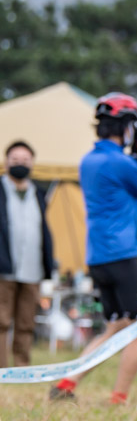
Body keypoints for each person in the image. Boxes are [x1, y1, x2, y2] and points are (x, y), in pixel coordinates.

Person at [50, 93, 137, 403]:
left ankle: (66, 384)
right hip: (123, 254)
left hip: (99, 255)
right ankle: (119, 396)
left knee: (116, 326)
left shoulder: (91, 160)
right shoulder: (118, 162)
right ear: (127, 126)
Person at [0, 141, 55, 368]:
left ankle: (23, 368)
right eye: (15, 159)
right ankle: (1, 370)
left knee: (26, 322)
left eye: (24, 160)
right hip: (4, 268)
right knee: (1, 321)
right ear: (6, 162)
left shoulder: (38, 194)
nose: (20, 164)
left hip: (32, 268)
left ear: (32, 163)